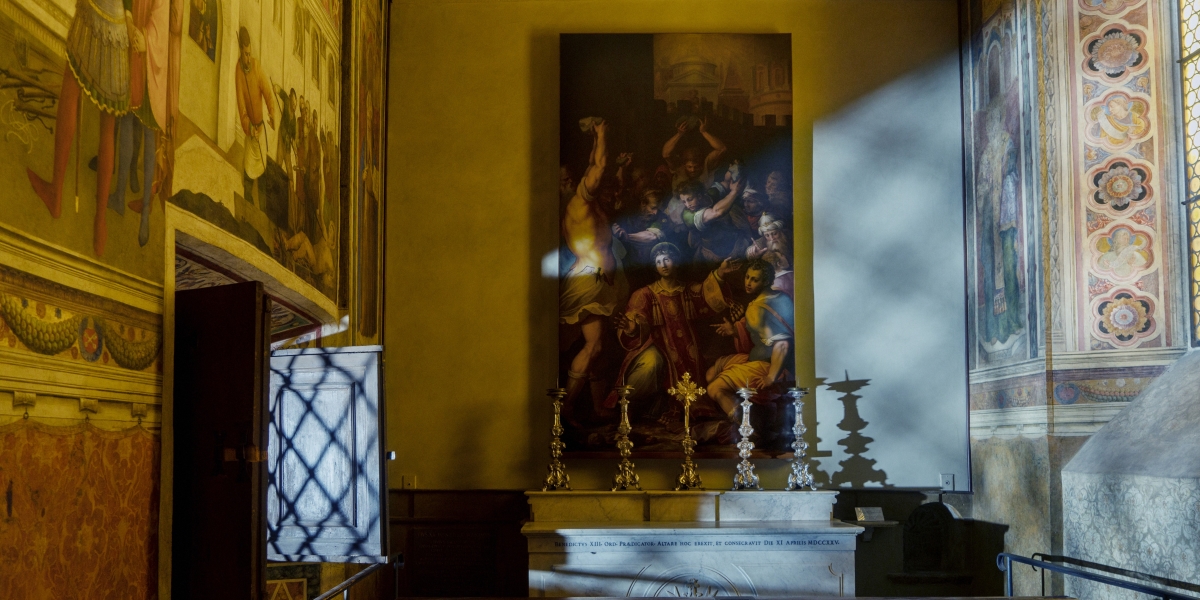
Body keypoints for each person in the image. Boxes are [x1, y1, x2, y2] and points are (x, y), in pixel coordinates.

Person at [27, 0, 131, 256]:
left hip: (93, 14)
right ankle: (99, 224)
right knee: (108, 129)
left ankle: (56, 193)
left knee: (70, 91)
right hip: (118, 27)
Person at [609, 243, 740, 410]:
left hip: (687, 343)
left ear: (676, 262)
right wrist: (632, 327)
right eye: (658, 262)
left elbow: (706, 295)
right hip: (655, 346)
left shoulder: (688, 290)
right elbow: (636, 316)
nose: (663, 264)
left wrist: (720, 273)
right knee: (651, 365)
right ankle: (637, 405)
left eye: (667, 259)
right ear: (655, 267)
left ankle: (687, 408)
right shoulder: (645, 294)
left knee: (693, 366)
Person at [560, 117, 627, 422]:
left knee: (598, 351)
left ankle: (598, 408)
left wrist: (593, 141)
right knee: (594, 345)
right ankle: (566, 408)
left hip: (600, 282)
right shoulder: (579, 204)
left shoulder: (589, 204)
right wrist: (601, 134)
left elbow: (593, 166)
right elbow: (598, 167)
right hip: (588, 281)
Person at [707, 259, 796, 420]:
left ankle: (746, 428)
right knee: (711, 373)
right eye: (747, 277)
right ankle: (753, 414)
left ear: (767, 281)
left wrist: (771, 377)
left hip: (771, 366)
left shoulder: (756, 309)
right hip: (765, 359)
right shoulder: (780, 296)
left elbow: (782, 343)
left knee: (714, 388)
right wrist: (735, 331)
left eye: (755, 280)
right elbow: (759, 336)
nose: (748, 283)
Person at [111, 0, 168, 247]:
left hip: (150, 63)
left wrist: (144, 38)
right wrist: (131, 23)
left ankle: (145, 213)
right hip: (133, 51)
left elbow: (163, 20)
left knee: (147, 136)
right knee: (125, 120)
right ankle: (120, 195)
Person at [235, 27, 277, 207]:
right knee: (248, 166)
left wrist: (272, 113)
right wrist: (250, 128)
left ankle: (262, 207)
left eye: (249, 53)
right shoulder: (238, 72)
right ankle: (247, 200)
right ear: (240, 51)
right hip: (251, 129)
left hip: (261, 126)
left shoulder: (257, 66)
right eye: (244, 54)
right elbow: (241, 107)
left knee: (263, 167)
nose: (247, 58)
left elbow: (268, 93)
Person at [678, 172, 755, 267]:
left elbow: (726, 183)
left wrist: (732, 171)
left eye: (690, 199)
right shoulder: (688, 215)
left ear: (699, 195)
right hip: (713, 253)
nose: (687, 205)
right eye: (684, 201)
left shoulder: (710, 194)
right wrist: (734, 192)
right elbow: (717, 212)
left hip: (733, 243)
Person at [662, 116, 726, 187]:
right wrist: (679, 134)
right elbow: (666, 154)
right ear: (684, 165)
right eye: (689, 167)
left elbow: (721, 149)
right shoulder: (679, 168)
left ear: (701, 165)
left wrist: (704, 132)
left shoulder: (706, 166)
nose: (692, 170)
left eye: (696, 167)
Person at [745, 213, 794, 298]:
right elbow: (750, 252)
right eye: (767, 235)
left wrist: (789, 266)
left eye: (774, 233)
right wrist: (753, 255)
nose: (771, 238)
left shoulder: (790, 237)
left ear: (780, 231)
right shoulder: (761, 243)